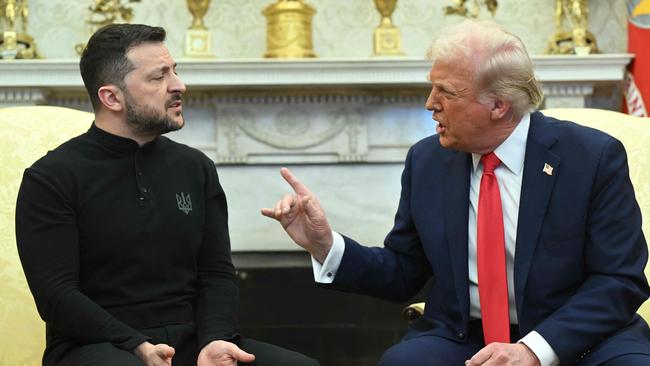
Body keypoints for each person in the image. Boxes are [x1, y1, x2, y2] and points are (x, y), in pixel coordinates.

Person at [262, 20, 650, 366]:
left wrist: (535, 349)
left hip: (576, 336)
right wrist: (325, 245)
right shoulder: (427, 160)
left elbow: (619, 280)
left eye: (445, 91)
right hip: (464, 335)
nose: (430, 103)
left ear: (498, 104)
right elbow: (403, 270)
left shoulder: (592, 157)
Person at [15, 23, 319, 366]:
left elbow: (216, 273)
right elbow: (57, 296)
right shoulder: (50, 178)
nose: (179, 85)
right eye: (158, 77)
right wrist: (135, 345)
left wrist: (215, 339)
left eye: (175, 71)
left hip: (192, 342)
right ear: (111, 97)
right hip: (98, 346)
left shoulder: (195, 168)